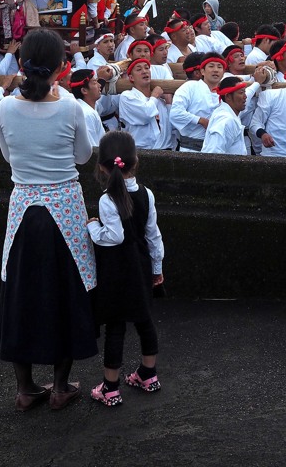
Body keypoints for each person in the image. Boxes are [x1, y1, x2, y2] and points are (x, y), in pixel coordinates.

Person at [0, 29, 97, 412]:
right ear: (61, 67)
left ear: (21, 65)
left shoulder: (5, 107)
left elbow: (7, 157)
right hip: (65, 208)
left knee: (21, 294)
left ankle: (25, 388)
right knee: (65, 293)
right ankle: (59, 386)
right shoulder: (71, 107)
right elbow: (84, 156)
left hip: (23, 208)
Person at [86, 131, 165, 407]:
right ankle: (148, 373)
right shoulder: (147, 194)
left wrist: (92, 226)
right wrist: (157, 267)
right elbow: (153, 234)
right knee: (144, 319)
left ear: (101, 166)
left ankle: (110, 387)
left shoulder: (108, 200)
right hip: (141, 264)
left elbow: (114, 236)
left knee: (116, 324)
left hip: (117, 270)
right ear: (136, 161)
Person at [201, 76, 251, 155]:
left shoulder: (227, 112)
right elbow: (213, 154)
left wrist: (258, 83)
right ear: (228, 96)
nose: (245, 97)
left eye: (245, 92)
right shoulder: (226, 120)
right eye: (241, 93)